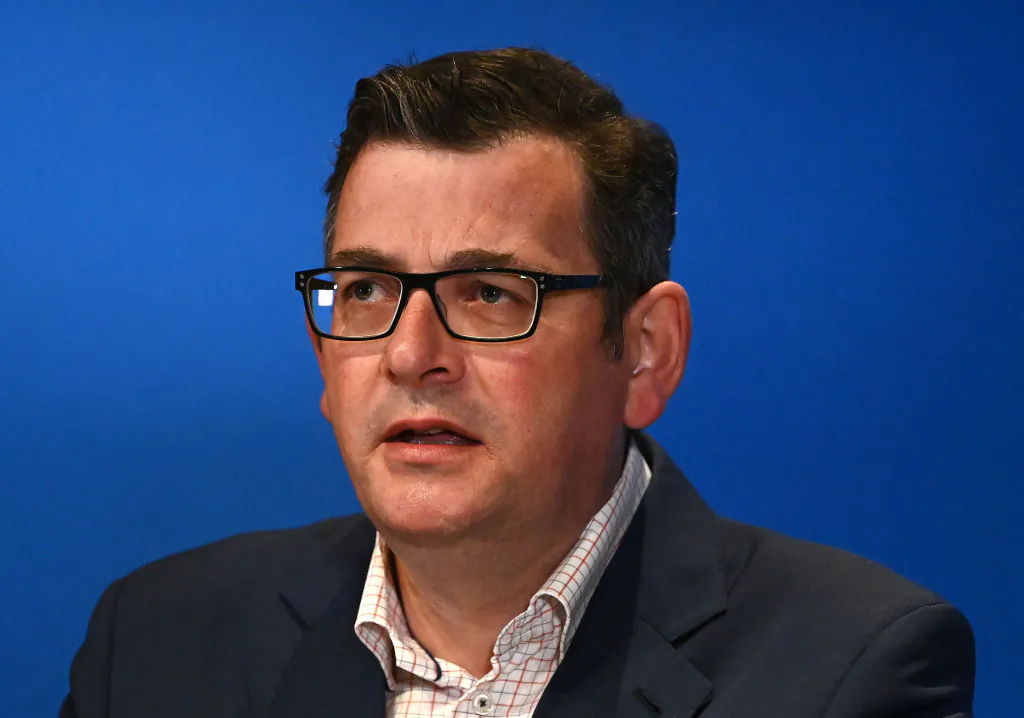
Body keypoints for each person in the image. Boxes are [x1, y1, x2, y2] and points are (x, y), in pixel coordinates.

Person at [60, 47, 975, 718]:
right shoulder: (155, 642)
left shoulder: (851, 670)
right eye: (369, 289)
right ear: (323, 359)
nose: (411, 354)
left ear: (645, 351)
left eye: (491, 294)